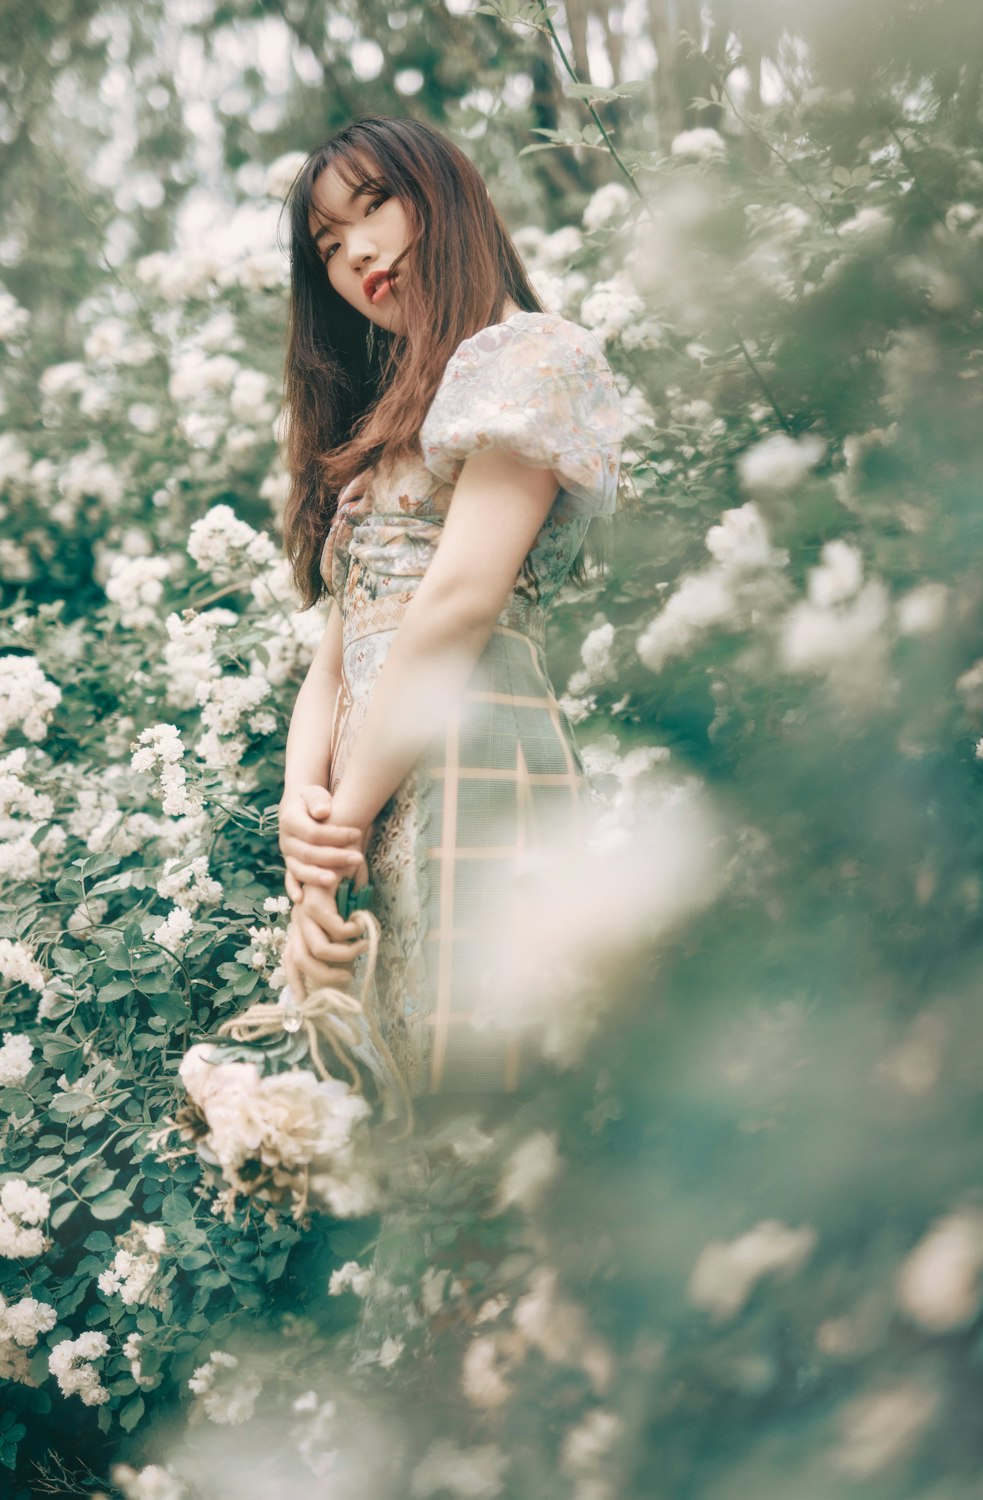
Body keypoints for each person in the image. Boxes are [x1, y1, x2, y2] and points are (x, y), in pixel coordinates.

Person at [275, 116, 625, 1122]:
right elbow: (331, 665)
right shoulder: (380, 438)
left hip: (474, 754)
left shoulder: (531, 359)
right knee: (393, 1127)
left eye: (373, 204)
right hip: (368, 799)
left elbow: (458, 606)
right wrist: (307, 829)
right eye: (329, 248)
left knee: (487, 1113)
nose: (358, 255)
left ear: (445, 191)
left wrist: (338, 824)